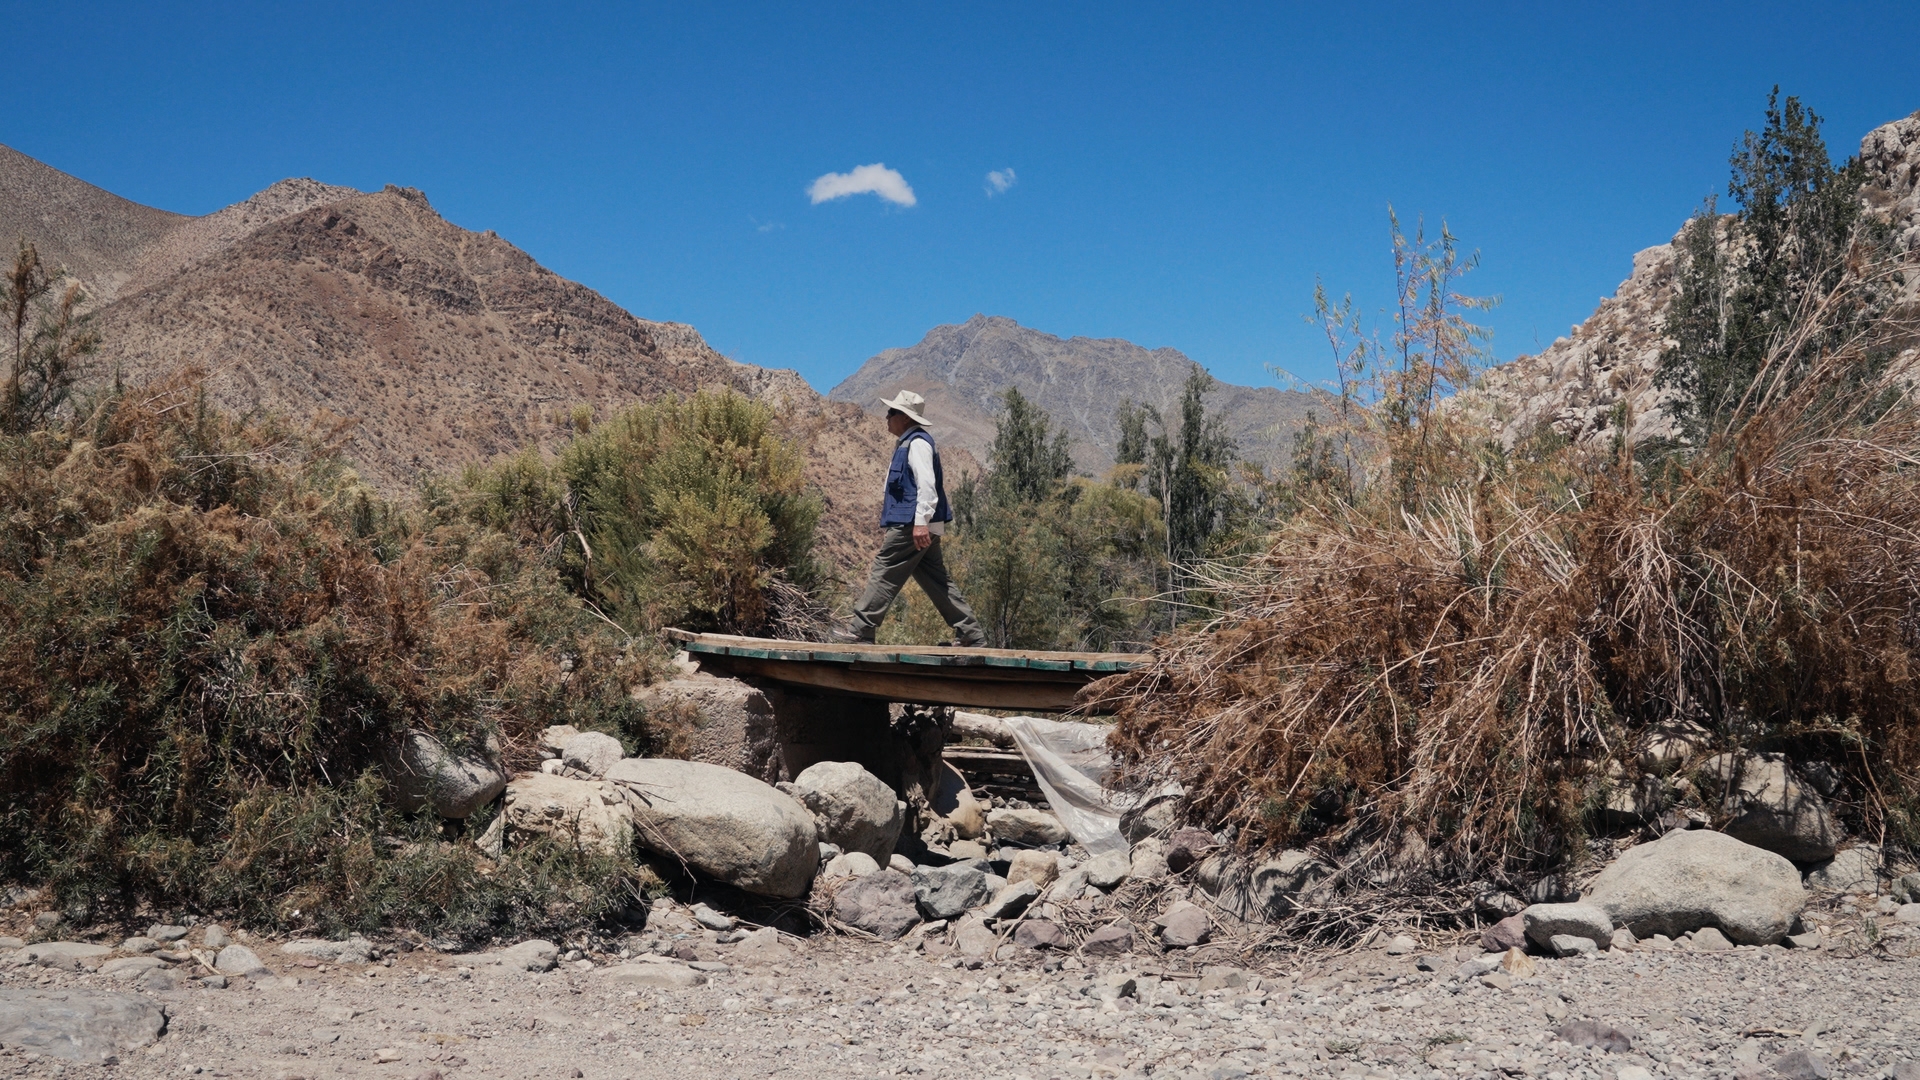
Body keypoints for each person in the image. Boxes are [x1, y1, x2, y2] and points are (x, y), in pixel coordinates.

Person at [835, 390, 987, 647]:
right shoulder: (908, 443)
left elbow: (927, 485)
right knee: (936, 580)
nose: (887, 416)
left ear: (905, 417)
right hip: (918, 524)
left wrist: (920, 523)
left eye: (892, 412)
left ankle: (861, 630)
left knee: (885, 570)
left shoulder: (917, 443)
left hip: (911, 525)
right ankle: (970, 634)